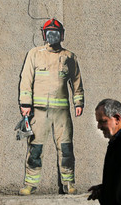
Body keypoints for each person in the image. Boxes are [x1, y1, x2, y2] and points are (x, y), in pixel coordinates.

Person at [18, 18, 84, 195]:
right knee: (35, 148)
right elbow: (26, 79)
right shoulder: (34, 54)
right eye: (49, 32)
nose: (52, 35)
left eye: (56, 32)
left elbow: (76, 82)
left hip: (62, 113)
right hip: (38, 112)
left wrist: (79, 103)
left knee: (66, 149)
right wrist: (25, 104)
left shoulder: (69, 57)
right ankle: (30, 184)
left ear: (61, 35)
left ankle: (68, 183)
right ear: (44, 35)